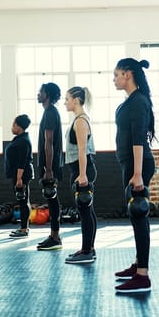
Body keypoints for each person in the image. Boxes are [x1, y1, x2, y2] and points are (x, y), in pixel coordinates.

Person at [112, 58, 156, 293]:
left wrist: (137, 174)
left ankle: (142, 275)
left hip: (138, 166)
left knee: (139, 215)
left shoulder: (138, 101)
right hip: (130, 165)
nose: (114, 79)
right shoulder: (131, 101)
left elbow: (139, 138)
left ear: (128, 74)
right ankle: (139, 264)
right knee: (136, 216)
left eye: (116, 74)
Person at [63, 86, 98, 264]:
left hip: (82, 170)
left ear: (76, 100)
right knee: (87, 210)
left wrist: (83, 175)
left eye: (67, 99)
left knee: (85, 211)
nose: (65, 102)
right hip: (79, 170)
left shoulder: (80, 122)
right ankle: (88, 248)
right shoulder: (78, 120)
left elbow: (83, 150)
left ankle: (87, 251)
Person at [36, 82, 64, 251]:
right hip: (50, 165)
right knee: (52, 200)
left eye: (41, 92)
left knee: (52, 200)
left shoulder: (50, 113)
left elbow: (49, 143)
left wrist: (49, 169)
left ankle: (55, 237)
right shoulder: (49, 112)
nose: (38, 94)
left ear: (48, 94)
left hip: (50, 166)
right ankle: (54, 235)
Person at [4, 114, 34, 239]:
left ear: (19, 126)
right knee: (22, 200)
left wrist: (19, 179)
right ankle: (23, 227)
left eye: (13, 124)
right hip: (18, 175)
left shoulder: (23, 141)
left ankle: (24, 229)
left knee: (23, 200)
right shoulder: (19, 139)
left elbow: (22, 162)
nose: (12, 127)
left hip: (22, 175)